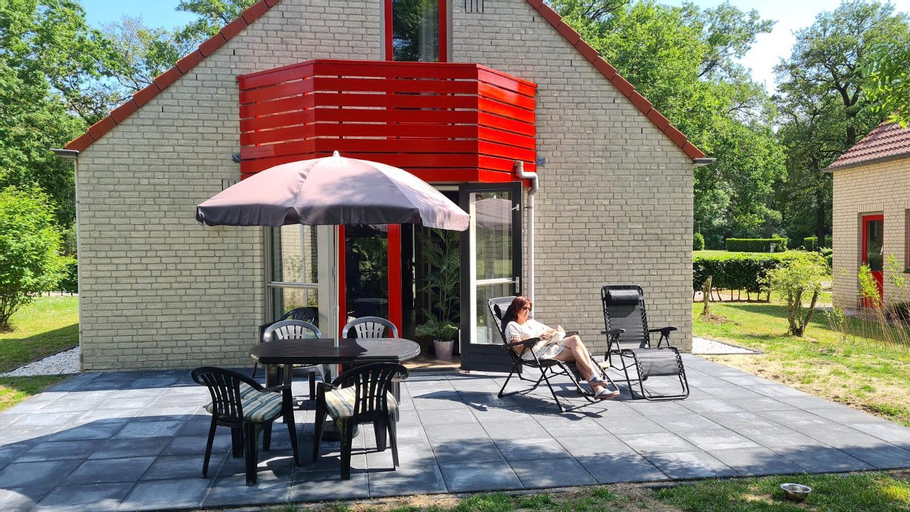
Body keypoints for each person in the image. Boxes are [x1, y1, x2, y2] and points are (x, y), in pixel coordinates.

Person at [501, 296, 619, 400]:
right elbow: (518, 349)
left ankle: (596, 383)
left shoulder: (531, 323)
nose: (527, 311)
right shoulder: (512, 326)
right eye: (524, 308)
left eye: (529, 308)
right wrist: (538, 338)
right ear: (516, 309)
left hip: (548, 346)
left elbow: (549, 330)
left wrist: (554, 333)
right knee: (580, 355)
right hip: (533, 353)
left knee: (575, 339)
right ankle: (596, 383)